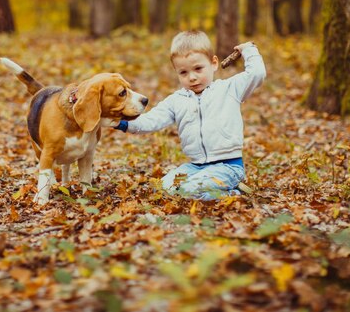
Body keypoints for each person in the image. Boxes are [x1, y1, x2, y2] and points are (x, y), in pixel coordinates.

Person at [114, 30, 266, 200]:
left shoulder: (229, 89)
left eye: (198, 68)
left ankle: (233, 194)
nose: (192, 77)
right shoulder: (176, 100)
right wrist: (122, 123)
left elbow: (257, 74)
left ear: (214, 63)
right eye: (183, 73)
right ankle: (218, 192)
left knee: (188, 190)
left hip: (228, 167)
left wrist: (248, 50)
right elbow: (151, 120)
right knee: (164, 188)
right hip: (195, 167)